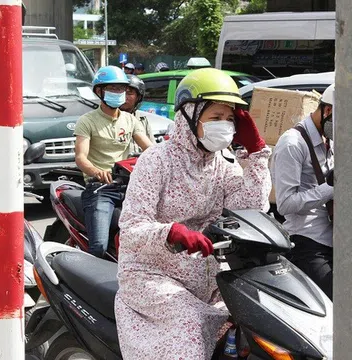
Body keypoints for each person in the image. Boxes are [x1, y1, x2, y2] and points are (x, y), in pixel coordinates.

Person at [115, 68, 272, 359]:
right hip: (151, 275)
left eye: (229, 119)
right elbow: (132, 229)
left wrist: (256, 153)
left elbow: (251, 209)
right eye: (215, 118)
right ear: (189, 116)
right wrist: (169, 232)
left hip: (210, 277)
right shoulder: (156, 160)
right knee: (191, 324)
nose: (224, 126)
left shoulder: (222, 164)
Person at [74, 65, 154, 258]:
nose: (119, 93)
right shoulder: (87, 121)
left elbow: (151, 150)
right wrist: (96, 172)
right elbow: (81, 157)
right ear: (99, 91)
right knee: (98, 247)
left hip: (130, 187)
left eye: (121, 89)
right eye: (113, 89)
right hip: (100, 189)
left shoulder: (130, 120)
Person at [271, 83, 335, 300]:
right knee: (337, 300)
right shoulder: (292, 144)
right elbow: (286, 203)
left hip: (336, 237)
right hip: (308, 241)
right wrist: (331, 188)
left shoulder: (330, 140)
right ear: (327, 111)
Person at [120, 75, 155, 153]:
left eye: (129, 93)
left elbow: (152, 147)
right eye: (122, 93)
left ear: (138, 97)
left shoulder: (141, 118)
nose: (125, 97)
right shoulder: (111, 117)